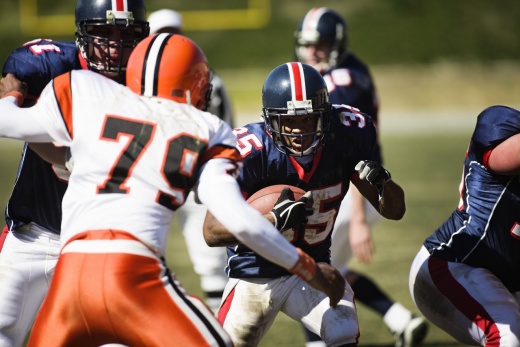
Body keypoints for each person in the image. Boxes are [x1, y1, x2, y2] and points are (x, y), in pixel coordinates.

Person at [0, 33, 345, 346]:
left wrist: (11, 94)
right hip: (133, 276)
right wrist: (309, 269)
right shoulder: (205, 127)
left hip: (70, 279)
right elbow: (239, 221)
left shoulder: (85, 89)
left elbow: (9, 122)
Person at [203, 61, 407, 347]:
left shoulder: (346, 136)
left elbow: (395, 211)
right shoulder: (251, 152)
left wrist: (384, 183)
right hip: (255, 274)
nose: (300, 131)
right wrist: (272, 220)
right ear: (271, 120)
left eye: (308, 119)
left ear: (324, 115)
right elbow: (211, 232)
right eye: (290, 121)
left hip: (314, 269)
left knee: (344, 330)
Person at [0, 0, 149, 345]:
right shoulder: (52, 65)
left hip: (103, 246)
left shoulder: (148, 83)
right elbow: (12, 81)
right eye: (103, 32)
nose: (114, 44)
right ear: (82, 33)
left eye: (126, 34)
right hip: (33, 234)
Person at [294, 7, 428, 347]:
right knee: (326, 268)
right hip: (351, 189)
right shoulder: (352, 69)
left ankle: (318, 340)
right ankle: (399, 319)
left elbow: (354, 158)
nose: (312, 51)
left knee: (308, 269)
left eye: (320, 44)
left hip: (352, 190)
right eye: (307, 44)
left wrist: (357, 219)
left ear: (336, 42)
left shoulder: (341, 83)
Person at [148, 7, 235, 313]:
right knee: (139, 258)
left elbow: (222, 129)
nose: (169, 40)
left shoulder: (206, 79)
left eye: (174, 33)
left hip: (195, 179)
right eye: (162, 34)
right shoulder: (137, 80)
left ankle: (222, 332)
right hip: (154, 179)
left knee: (212, 264)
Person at [409, 105, 520, 346]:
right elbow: (501, 158)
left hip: (507, 281)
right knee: (507, 336)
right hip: (453, 264)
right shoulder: (502, 125)